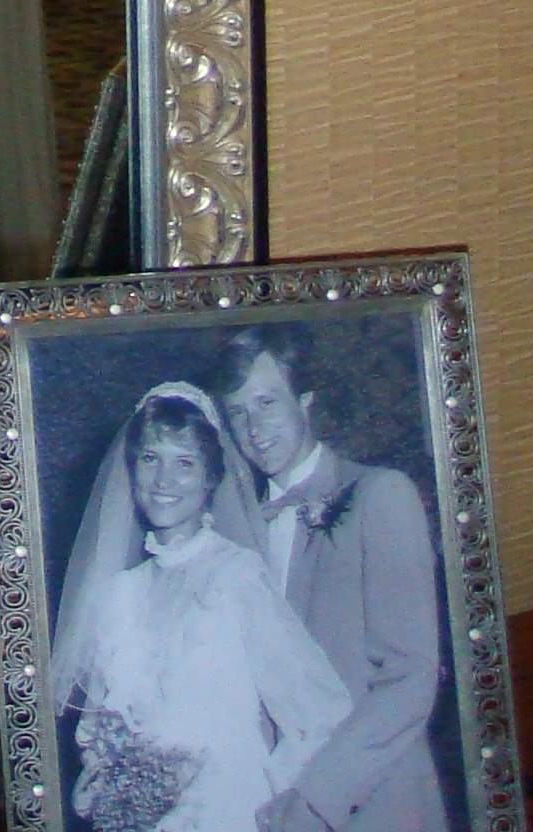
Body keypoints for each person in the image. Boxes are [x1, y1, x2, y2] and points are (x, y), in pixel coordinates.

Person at [51, 382, 348, 832]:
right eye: (150, 459)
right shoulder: (119, 594)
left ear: (211, 478)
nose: (163, 481)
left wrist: (267, 797)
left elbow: (318, 712)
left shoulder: (236, 575)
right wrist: (104, 788)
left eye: (184, 463)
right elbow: (99, 736)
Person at [213, 330, 448, 832]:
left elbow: (410, 677)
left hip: (373, 801)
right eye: (238, 413)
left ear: (305, 401)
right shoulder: (236, 534)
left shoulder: (379, 495)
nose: (254, 429)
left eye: (266, 403)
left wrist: (316, 800)